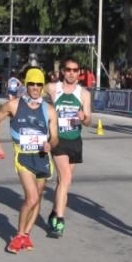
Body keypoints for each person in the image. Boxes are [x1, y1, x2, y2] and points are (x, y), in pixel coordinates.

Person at [0, 68, 59, 253]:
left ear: (42, 86)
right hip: (23, 156)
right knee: (32, 197)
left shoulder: (49, 110)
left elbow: (55, 137)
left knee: (38, 199)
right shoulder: (13, 105)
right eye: (32, 84)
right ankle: (18, 236)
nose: (35, 88)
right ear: (26, 85)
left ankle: (26, 235)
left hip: (42, 158)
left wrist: (50, 144)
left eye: (38, 84)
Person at [45, 57, 92, 239]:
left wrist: (83, 117)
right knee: (66, 177)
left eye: (75, 70)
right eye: (68, 69)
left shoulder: (84, 94)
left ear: (79, 73)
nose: (72, 73)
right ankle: (60, 220)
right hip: (58, 139)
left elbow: (89, 121)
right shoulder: (53, 88)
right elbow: (33, 94)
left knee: (62, 182)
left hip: (75, 139)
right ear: (63, 71)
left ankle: (55, 210)